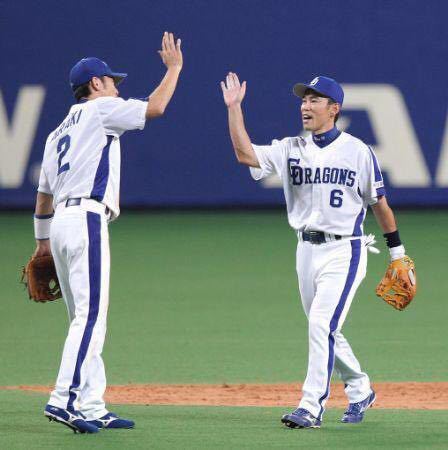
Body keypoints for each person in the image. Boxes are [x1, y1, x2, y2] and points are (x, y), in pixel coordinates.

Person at [221, 73, 412, 428]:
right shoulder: (291, 147)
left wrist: (397, 252)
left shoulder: (358, 151)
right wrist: (234, 109)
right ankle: (359, 388)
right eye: (304, 100)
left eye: (314, 100)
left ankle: (311, 406)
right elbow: (245, 154)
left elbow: (379, 204)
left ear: (334, 109)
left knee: (321, 323)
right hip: (305, 251)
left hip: (345, 251)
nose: (305, 106)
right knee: (324, 328)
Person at [33, 32, 183, 433]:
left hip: (61, 225)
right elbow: (156, 107)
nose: (117, 86)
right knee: (91, 317)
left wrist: (41, 243)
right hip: (85, 219)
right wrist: (174, 69)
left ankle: (92, 404)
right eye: (112, 80)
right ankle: (63, 399)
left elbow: (44, 194)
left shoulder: (55, 132)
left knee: (83, 318)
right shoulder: (101, 109)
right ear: (96, 84)